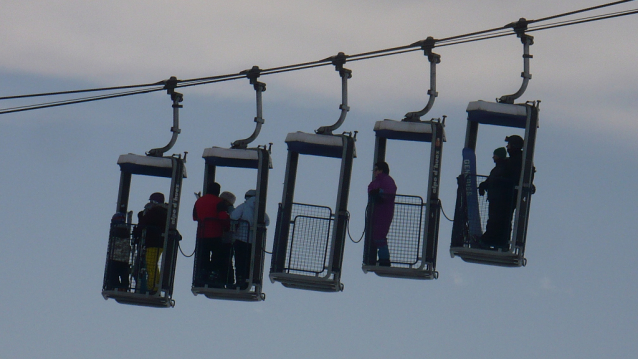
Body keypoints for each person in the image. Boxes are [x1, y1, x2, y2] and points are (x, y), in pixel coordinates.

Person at [230, 189, 270, 290]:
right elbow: (267, 221)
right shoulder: (260, 208)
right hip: (254, 241)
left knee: (240, 262)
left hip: (241, 238)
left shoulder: (244, 206)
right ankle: (248, 280)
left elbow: (233, 216)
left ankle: (240, 281)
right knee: (249, 262)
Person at [192, 182, 230, 287]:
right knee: (217, 257)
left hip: (201, 234)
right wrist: (227, 226)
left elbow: (195, 217)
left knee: (203, 257)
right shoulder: (219, 202)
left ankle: (202, 276)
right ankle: (213, 277)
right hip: (215, 234)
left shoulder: (199, 201)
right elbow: (223, 217)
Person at [478, 147, 512, 250]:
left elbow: (494, 181)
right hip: (497, 198)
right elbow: (492, 181)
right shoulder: (501, 167)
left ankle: (489, 241)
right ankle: (495, 242)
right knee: (496, 220)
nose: (493, 157)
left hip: (498, 199)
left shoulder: (501, 168)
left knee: (495, 220)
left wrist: (486, 185)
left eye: (495, 155)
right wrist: (484, 185)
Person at [134, 192, 168, 294]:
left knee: (151, 264)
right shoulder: (164, 211)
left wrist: (142, 217)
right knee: (151, 264)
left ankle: (153, 286)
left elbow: (145, 222)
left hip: (153, 242)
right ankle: (153, 285)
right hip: (157, 242)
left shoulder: (156, 211)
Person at [367, 161, 397, 267]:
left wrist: (379, 193)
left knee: (379, 234)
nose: (374, 172)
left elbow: (389, 191)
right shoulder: (380, 181)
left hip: (383, 210)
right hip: (378, 211)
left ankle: (384, 260)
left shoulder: (385, 180)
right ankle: (383, 259)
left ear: (381, 170)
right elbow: (371, 189)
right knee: (377, 234)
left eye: (376, 170)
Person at [105, 212, 131, 291]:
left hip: (115, 256)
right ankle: (124, 287)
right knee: (124, 274)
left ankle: (114, 286)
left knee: (112, 273)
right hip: (124, 258)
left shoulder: (115, 230)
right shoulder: (126, 230)